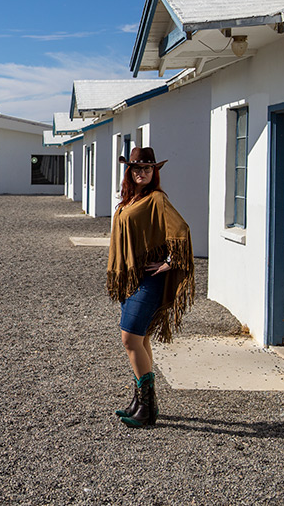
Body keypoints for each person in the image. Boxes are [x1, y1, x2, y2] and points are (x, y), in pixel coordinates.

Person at [106, 147, 194, 428]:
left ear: (154, 172)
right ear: (129, 172)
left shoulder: (156, 199)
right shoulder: (131, 199)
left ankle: (148, 406)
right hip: (132, 278)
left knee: (129, 339)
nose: (141, 172)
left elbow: (182, 229)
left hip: (149, 280)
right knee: (140, 339)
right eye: (136, 169)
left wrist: (169, 262)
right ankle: (141, 402)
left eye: (147, 168)